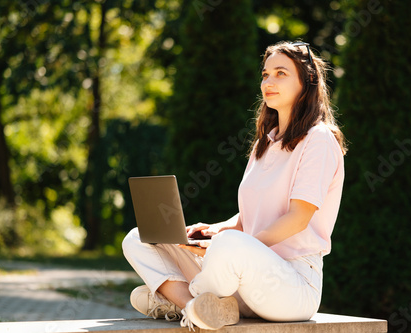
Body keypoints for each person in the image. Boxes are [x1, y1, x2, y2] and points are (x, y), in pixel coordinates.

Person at [122, 40, 347, 331]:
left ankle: (178, 300)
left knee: (220, 251)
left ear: (307, 82)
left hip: (292, 285)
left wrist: (227, 246)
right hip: (241, 276)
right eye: (265, 74)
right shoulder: (265, 144)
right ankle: (197, 307)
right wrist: (214, 230)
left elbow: (298, 217)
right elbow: (250, 216)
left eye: (281, 73)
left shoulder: (319, 139)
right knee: (139, 237)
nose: (269, 81)